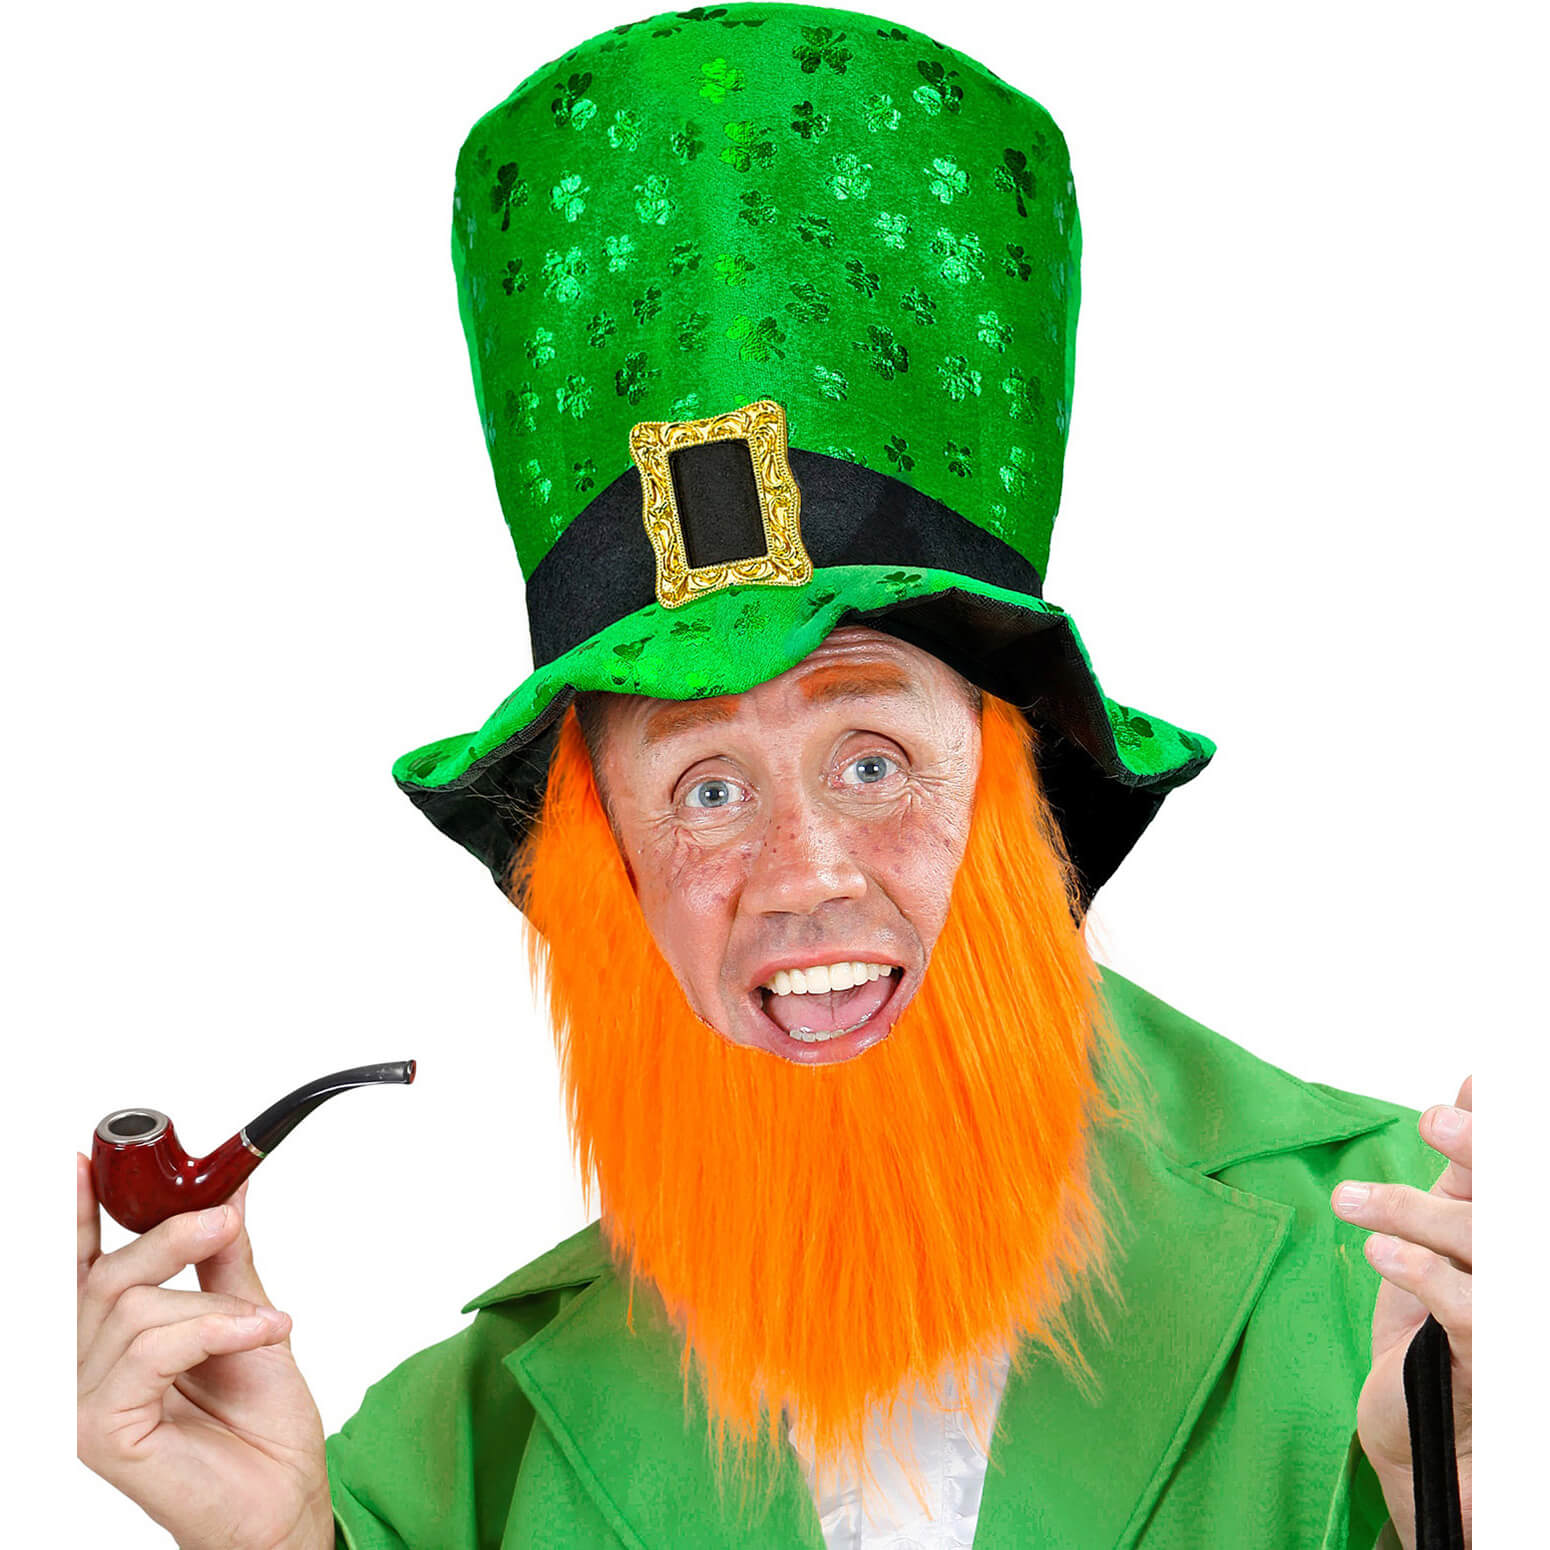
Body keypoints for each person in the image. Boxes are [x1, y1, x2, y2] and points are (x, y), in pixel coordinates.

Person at [76, 5, 1472, 1547]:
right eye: (705, 789)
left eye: (872, 758)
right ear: (607, 867)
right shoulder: (454, 1455)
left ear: (1014, 797)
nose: (804, 874)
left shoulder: (1429, 1267)